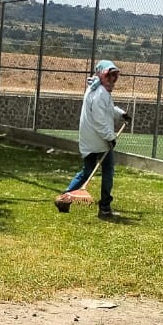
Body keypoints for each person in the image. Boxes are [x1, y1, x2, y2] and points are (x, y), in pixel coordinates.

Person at [58, 59, 129, 220]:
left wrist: (121, 114)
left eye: (114, 76)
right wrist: (110, 138)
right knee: (108, 171)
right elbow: (99, 120)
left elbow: (108, 109)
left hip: (90, 140)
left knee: (87, 172)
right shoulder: (99, 93)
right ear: (102, 75)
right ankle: (104, 208)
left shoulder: (96, 89)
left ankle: (65, 198)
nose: (112, 80)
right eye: (109, 76)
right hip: (99, 141)